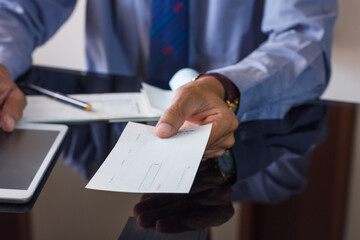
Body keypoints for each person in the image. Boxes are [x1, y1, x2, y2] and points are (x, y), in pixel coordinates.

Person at [0, 0, 337, 161]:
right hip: (108, 131)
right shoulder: (89, 160)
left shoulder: (270, 187)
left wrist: (227, 86)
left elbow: (306, 39)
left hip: (247, 132)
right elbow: (19, 10)